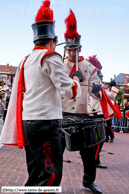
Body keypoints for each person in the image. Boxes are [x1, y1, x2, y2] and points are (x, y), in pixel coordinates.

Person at [0, 1, 82, 192]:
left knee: (36, 172)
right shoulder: (50, 57)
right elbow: (69, 91)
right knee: (51, 173)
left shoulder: (25, 60)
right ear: (52, 40)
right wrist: (76, 79)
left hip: (29, 122)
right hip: (45, 123)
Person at [61, 9, 103, 194]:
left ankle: (89, 181)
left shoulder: (89, 67)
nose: (72, 51)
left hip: (81, 114)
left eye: (75, 48)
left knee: (88, 153)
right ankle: (51, 184)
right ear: (66, 49)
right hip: (61, 114)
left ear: (79, 48)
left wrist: (96, 91)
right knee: (55, 153)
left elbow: (98, 93)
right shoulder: (58, 65)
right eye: (69, 48)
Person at [88, 56, 118, 169]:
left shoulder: (96, 84)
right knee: (99, 140)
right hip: (98, 113)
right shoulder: (95, 84)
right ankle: (95, 160)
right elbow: (111, 95)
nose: (100, 78)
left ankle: (95, 159)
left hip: (96, 113)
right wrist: (114, 88)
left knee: (98, 140)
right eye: (100, 76)